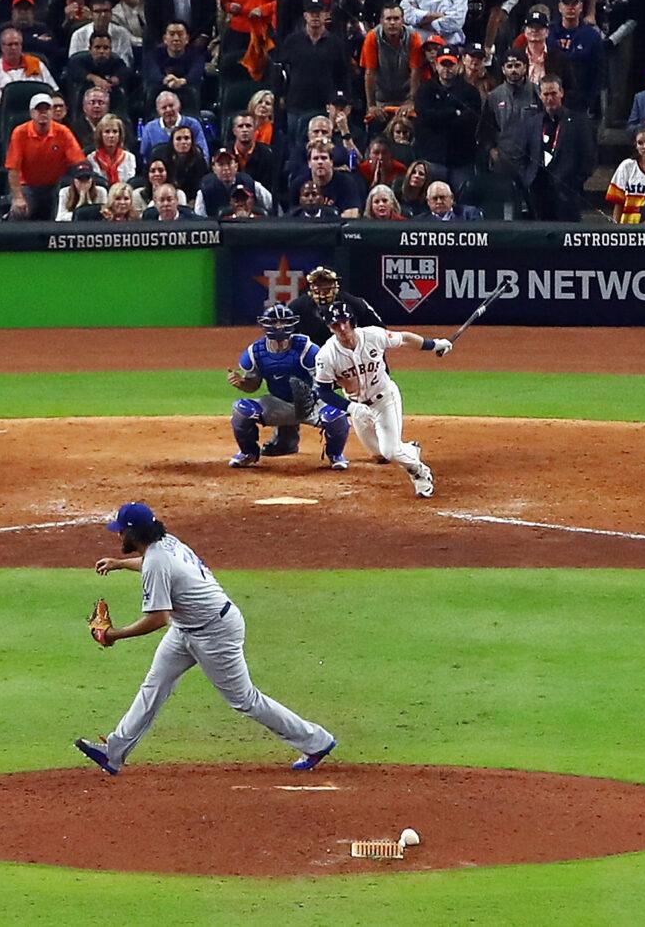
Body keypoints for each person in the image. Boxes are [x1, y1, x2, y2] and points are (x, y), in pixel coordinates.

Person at [74, 502, 337, 777]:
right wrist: (119, 564)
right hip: (187, 628)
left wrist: (114, 635)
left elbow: (158, 618)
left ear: (134, 533)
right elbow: (154, 566)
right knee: (154, 685)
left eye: (121, 531)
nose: (118, 535)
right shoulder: (165, 543)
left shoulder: (156, 562)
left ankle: (316, 742)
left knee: (245, 700)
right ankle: (114, 753)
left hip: (216, 633)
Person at [311, 300, 448, 497]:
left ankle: (420, 473)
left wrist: (433, 345)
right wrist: (351, 407)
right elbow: (323, 390)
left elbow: (404, 338)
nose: (342, 328)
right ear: (329, 327)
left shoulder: (373, 335)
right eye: (335, 324)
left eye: (344, 322)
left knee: (390, 451)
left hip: (384, 400)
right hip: (358, 407)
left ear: (351, 321)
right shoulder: (326, 355)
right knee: (378, 454)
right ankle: (410, 449)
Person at [226, 303, 352, 468]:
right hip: (279, 403)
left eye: (284, 322)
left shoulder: (306, 348)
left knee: (336, 414)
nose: (279, 326)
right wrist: (242, 383)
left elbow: (321, 379)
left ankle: (335, 455)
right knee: (241, 410)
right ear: (265, 324)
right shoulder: (255, 352)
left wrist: (315, 394)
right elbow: (253, 386)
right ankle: (248, 453)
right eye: (274, 322)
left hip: (311, 402)